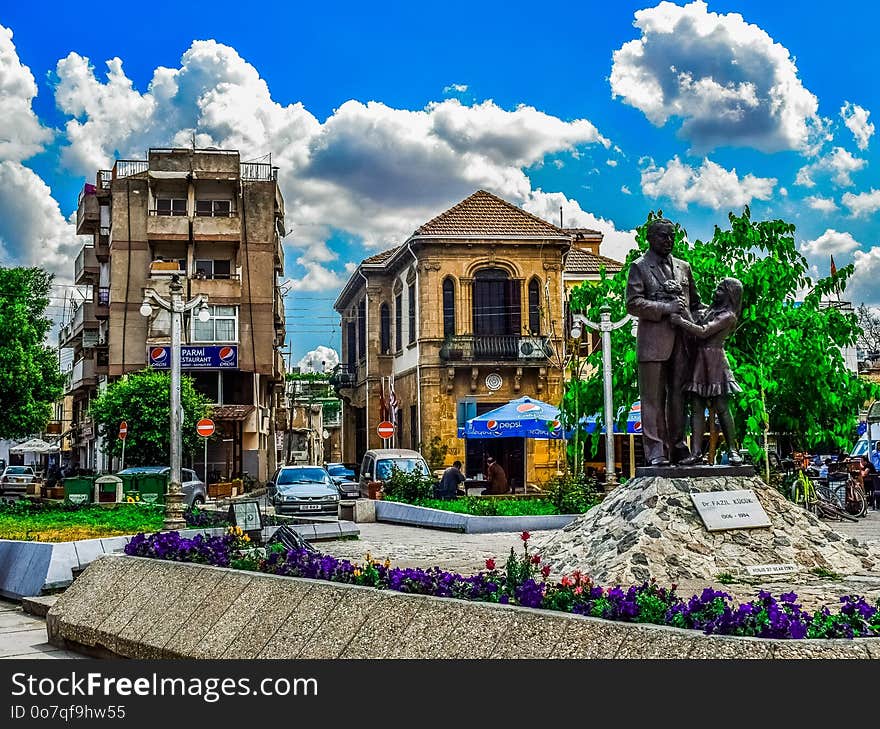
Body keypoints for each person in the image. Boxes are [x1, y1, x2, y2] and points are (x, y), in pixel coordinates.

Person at [626, 217, 705, 466]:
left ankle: (679, 447)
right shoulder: (639, 267)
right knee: (652, 400)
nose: (668, 240)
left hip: (682, 341)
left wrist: (716, 319)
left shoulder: (684, 267)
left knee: (679, 398)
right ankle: (656, 451)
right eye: (663, 235)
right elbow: (633, 303)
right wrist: (665, 307)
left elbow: (695, 304)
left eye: (671, 236)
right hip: (653, 344)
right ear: (650, 238)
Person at [670, 277, 744, 466]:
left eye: (720, 290)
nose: (715, 291)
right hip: (699, 362)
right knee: (696, 409)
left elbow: (703, 331)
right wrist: (679, 293)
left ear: (729, 295)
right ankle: (695, 453)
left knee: (722, 408)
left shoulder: (728, 316)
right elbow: (694, 310)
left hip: (715, 362)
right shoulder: (711, 310)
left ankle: (733, 450)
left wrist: (680, 321)